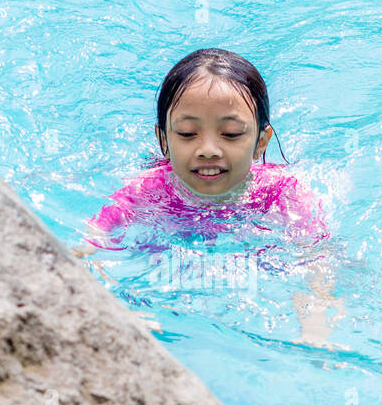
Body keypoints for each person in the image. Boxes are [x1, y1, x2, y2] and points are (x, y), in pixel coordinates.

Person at [72, 48, 345, 347]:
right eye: (188, 134)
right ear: (164, 140)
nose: (208, 149)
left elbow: (317, 262)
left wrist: (315, 328)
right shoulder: (147, 190)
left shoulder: (282, 194)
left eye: (230, 134)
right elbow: (87, 247)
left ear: (260, 142)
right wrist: (117, 309)